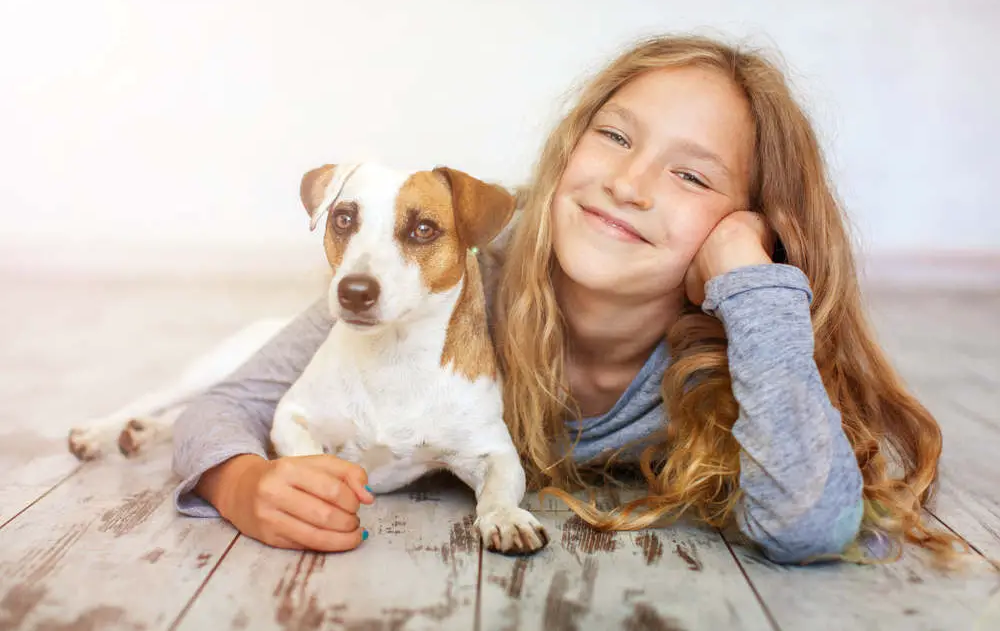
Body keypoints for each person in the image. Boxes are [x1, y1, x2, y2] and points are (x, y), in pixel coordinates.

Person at [171, 33, 960, 565]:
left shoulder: (721, 363)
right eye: (615, 137)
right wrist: (240, 481)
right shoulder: (455, 275)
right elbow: (233, 401)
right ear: (569, 146)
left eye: (691, 175)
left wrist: (750, 279)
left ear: (747, 225)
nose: (628, 182)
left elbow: (812, 523)